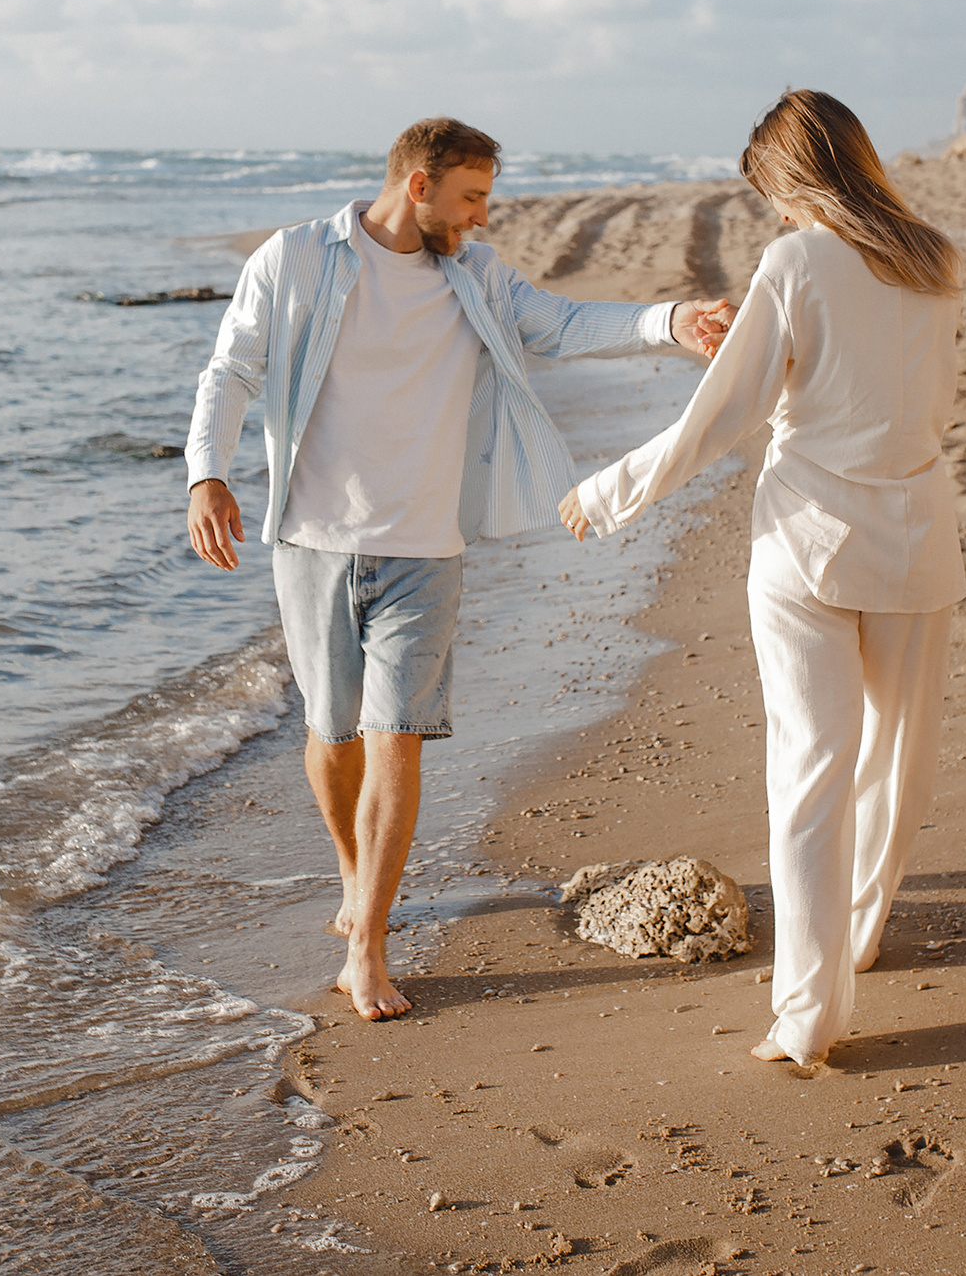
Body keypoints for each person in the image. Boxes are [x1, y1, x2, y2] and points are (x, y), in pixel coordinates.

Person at [185, 117, 733, 1021]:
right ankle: (355, 878)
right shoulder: (296, 259)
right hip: (313, 537)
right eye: (471, 196)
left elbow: (560, 325)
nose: (483, 217)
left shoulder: (473, 277)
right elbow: (231, 367)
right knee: (332, 735)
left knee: (396, 733)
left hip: (426, 547)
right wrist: (208, 472)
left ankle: (368, 942)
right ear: (419, 185)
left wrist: (672, 320)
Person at [561, 89, 963, 1067]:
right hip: (917, 531)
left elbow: (719, 418)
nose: (775, 217)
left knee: (809, 772)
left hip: (808, 536)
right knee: (892, 761)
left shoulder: (793, 261)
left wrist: (612, 492)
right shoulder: (935, 261)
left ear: (792, 180)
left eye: (772, 196)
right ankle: (858, 941)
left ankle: (809, 1015)